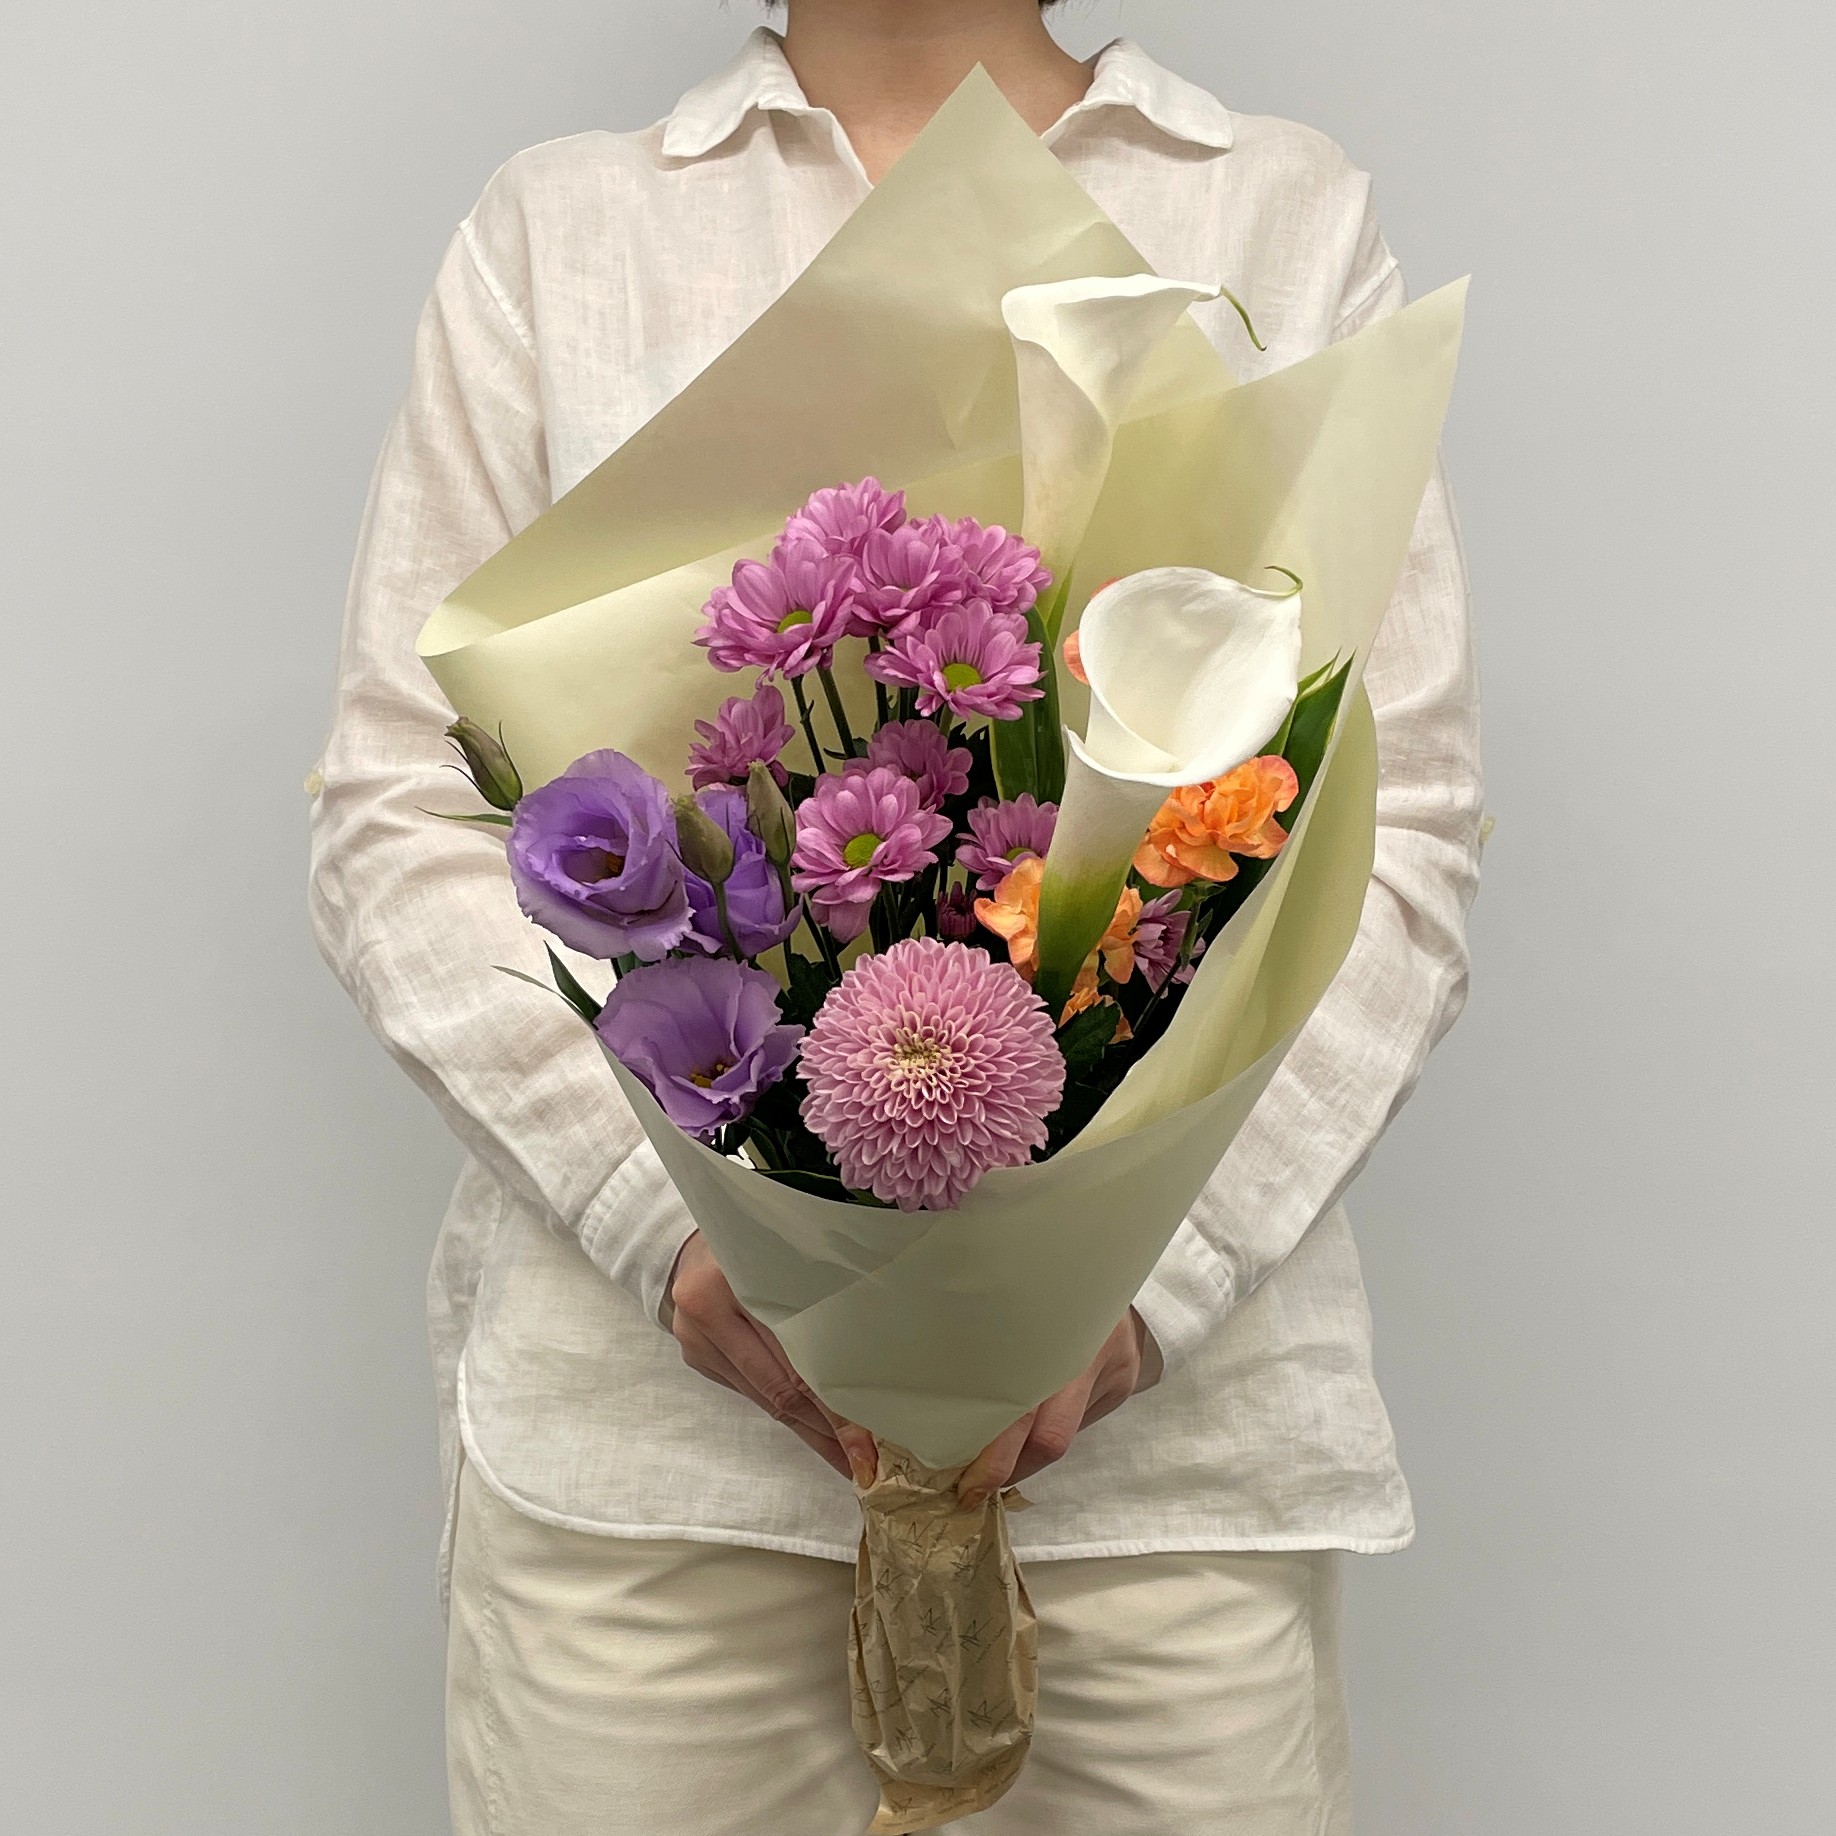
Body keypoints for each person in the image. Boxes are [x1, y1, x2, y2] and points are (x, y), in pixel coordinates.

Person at [307, 2, 1482, 1830]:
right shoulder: (565, 231)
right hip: (657, 1486)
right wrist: (674, 1239)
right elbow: (405, 809)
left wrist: (1134, 1296)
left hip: (1158, 1484)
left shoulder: (1272, 211)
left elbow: (1393, 826)